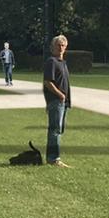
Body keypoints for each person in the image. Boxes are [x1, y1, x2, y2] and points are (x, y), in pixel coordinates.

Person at [42, 34, 72, 167]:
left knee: (59, 130)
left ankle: (52, 158)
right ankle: (54, 159)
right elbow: (48, 82)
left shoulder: (63, 63)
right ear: (52, 47)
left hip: (63, 102)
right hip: (56, 101)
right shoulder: (51, 62)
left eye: (63, 45)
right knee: (55, 130)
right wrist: (60, 95)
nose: (61, 48)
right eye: (58, 45)